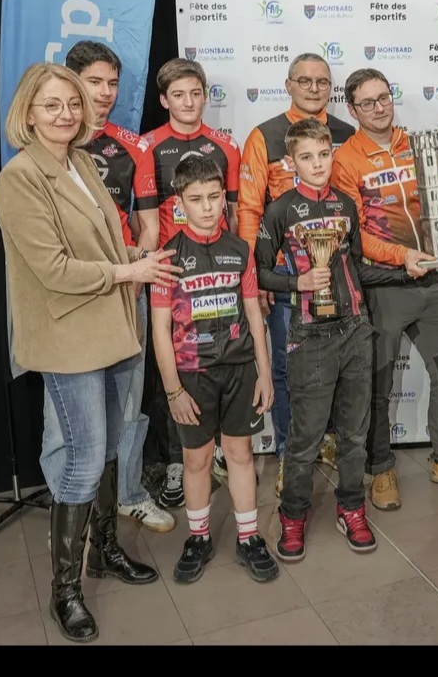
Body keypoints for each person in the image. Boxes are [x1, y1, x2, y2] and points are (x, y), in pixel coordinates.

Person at [0, 62, 181, 642]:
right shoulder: (19, 178)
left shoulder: (79, 162)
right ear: (28, 113)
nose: (67, 114)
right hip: (68, 336)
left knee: (112, 445)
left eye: (73, 104)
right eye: (52, 105)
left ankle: (104, 551)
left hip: (112, 325)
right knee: (84, 456)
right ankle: (66, 590)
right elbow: (53, 269)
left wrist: (136, 259)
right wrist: (129, 272)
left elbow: (104, 241)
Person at [256, 119, 412, 561]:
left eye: (324, 155)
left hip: (356, 329)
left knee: (354, 434)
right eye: (307, 157)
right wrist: (298, 282)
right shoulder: (280, 209)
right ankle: (293, 515)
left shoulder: (344, 203)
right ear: (291, 162)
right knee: (305, 438)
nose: (318, 164)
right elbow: (260, 272)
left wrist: (404, 270)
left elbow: (356, 264)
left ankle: (351, 508)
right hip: (310, 335)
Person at [332, 68, 438, 510]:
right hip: (385, 286)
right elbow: (354, 234)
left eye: (384, 98)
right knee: (378, 385)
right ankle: (380, 469)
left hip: (432, 279)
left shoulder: (418, 144)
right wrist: (400, 256)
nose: (379, 108)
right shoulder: (345, 160)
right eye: (368, 103)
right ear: (352, 109)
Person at [62, 40, 174, 535]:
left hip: (127, 289)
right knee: (66, 414)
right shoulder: (50, 145)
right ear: (70, 81)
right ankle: (71, 503)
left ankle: (128, 494)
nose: (105, 92)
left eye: (112, 83)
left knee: (128, 404)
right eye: (95, 82)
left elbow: (148, 225)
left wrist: (135, 278)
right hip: (70, 295)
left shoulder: (133, 146)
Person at [150, 156, 279, 584]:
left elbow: (254, 316)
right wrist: (173, 390)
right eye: (196, 199)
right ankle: (199, 538)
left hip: (239, 369)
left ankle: (249, 538)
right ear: (179, 204)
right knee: (197, 459)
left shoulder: (240, 251)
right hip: (192, 375)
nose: (207, 207)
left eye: (213, 197)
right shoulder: (167, 258)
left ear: (224, 197)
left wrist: (264, 372)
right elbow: (160, 328)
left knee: (241, 454)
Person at [237, 53, 356, 493]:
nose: (313, 88)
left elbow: (354, 204)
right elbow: (250, 208)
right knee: (288, 367)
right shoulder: (264, 135)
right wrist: (255, 276)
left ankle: (329, 440)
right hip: (286, 271)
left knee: (340, 361)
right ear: (288, 85)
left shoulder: (346, 134)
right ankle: (289, 451)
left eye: (322, 81)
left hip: (338, 270)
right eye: (304, 81)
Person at [138, 58, 242, 510]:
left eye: (195, 93)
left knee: (222, 356)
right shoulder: (147, 146)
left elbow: (234, 213)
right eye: (178, 95)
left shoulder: (225, 145)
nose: (188, 102)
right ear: (164, 100)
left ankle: (216, 448)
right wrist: (149, 266)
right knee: (175, 367)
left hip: (219, 266)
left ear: (205, 95)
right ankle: (178, 463)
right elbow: (145, 220)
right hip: (173, 273)